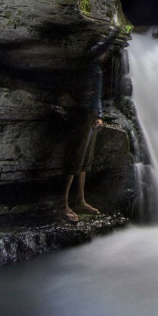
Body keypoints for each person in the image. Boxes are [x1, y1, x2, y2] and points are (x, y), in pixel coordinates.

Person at [63, 27, 118, 222]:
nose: (105, 54)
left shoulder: (96, 70)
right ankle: (63, 204)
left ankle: (80, 200)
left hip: (91, 117)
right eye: (103, 51)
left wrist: (100, 115)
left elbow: (97, 97)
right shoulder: (86, 63)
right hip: (79, 115)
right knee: (74, 161)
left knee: (86, 161)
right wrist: (115, 32)